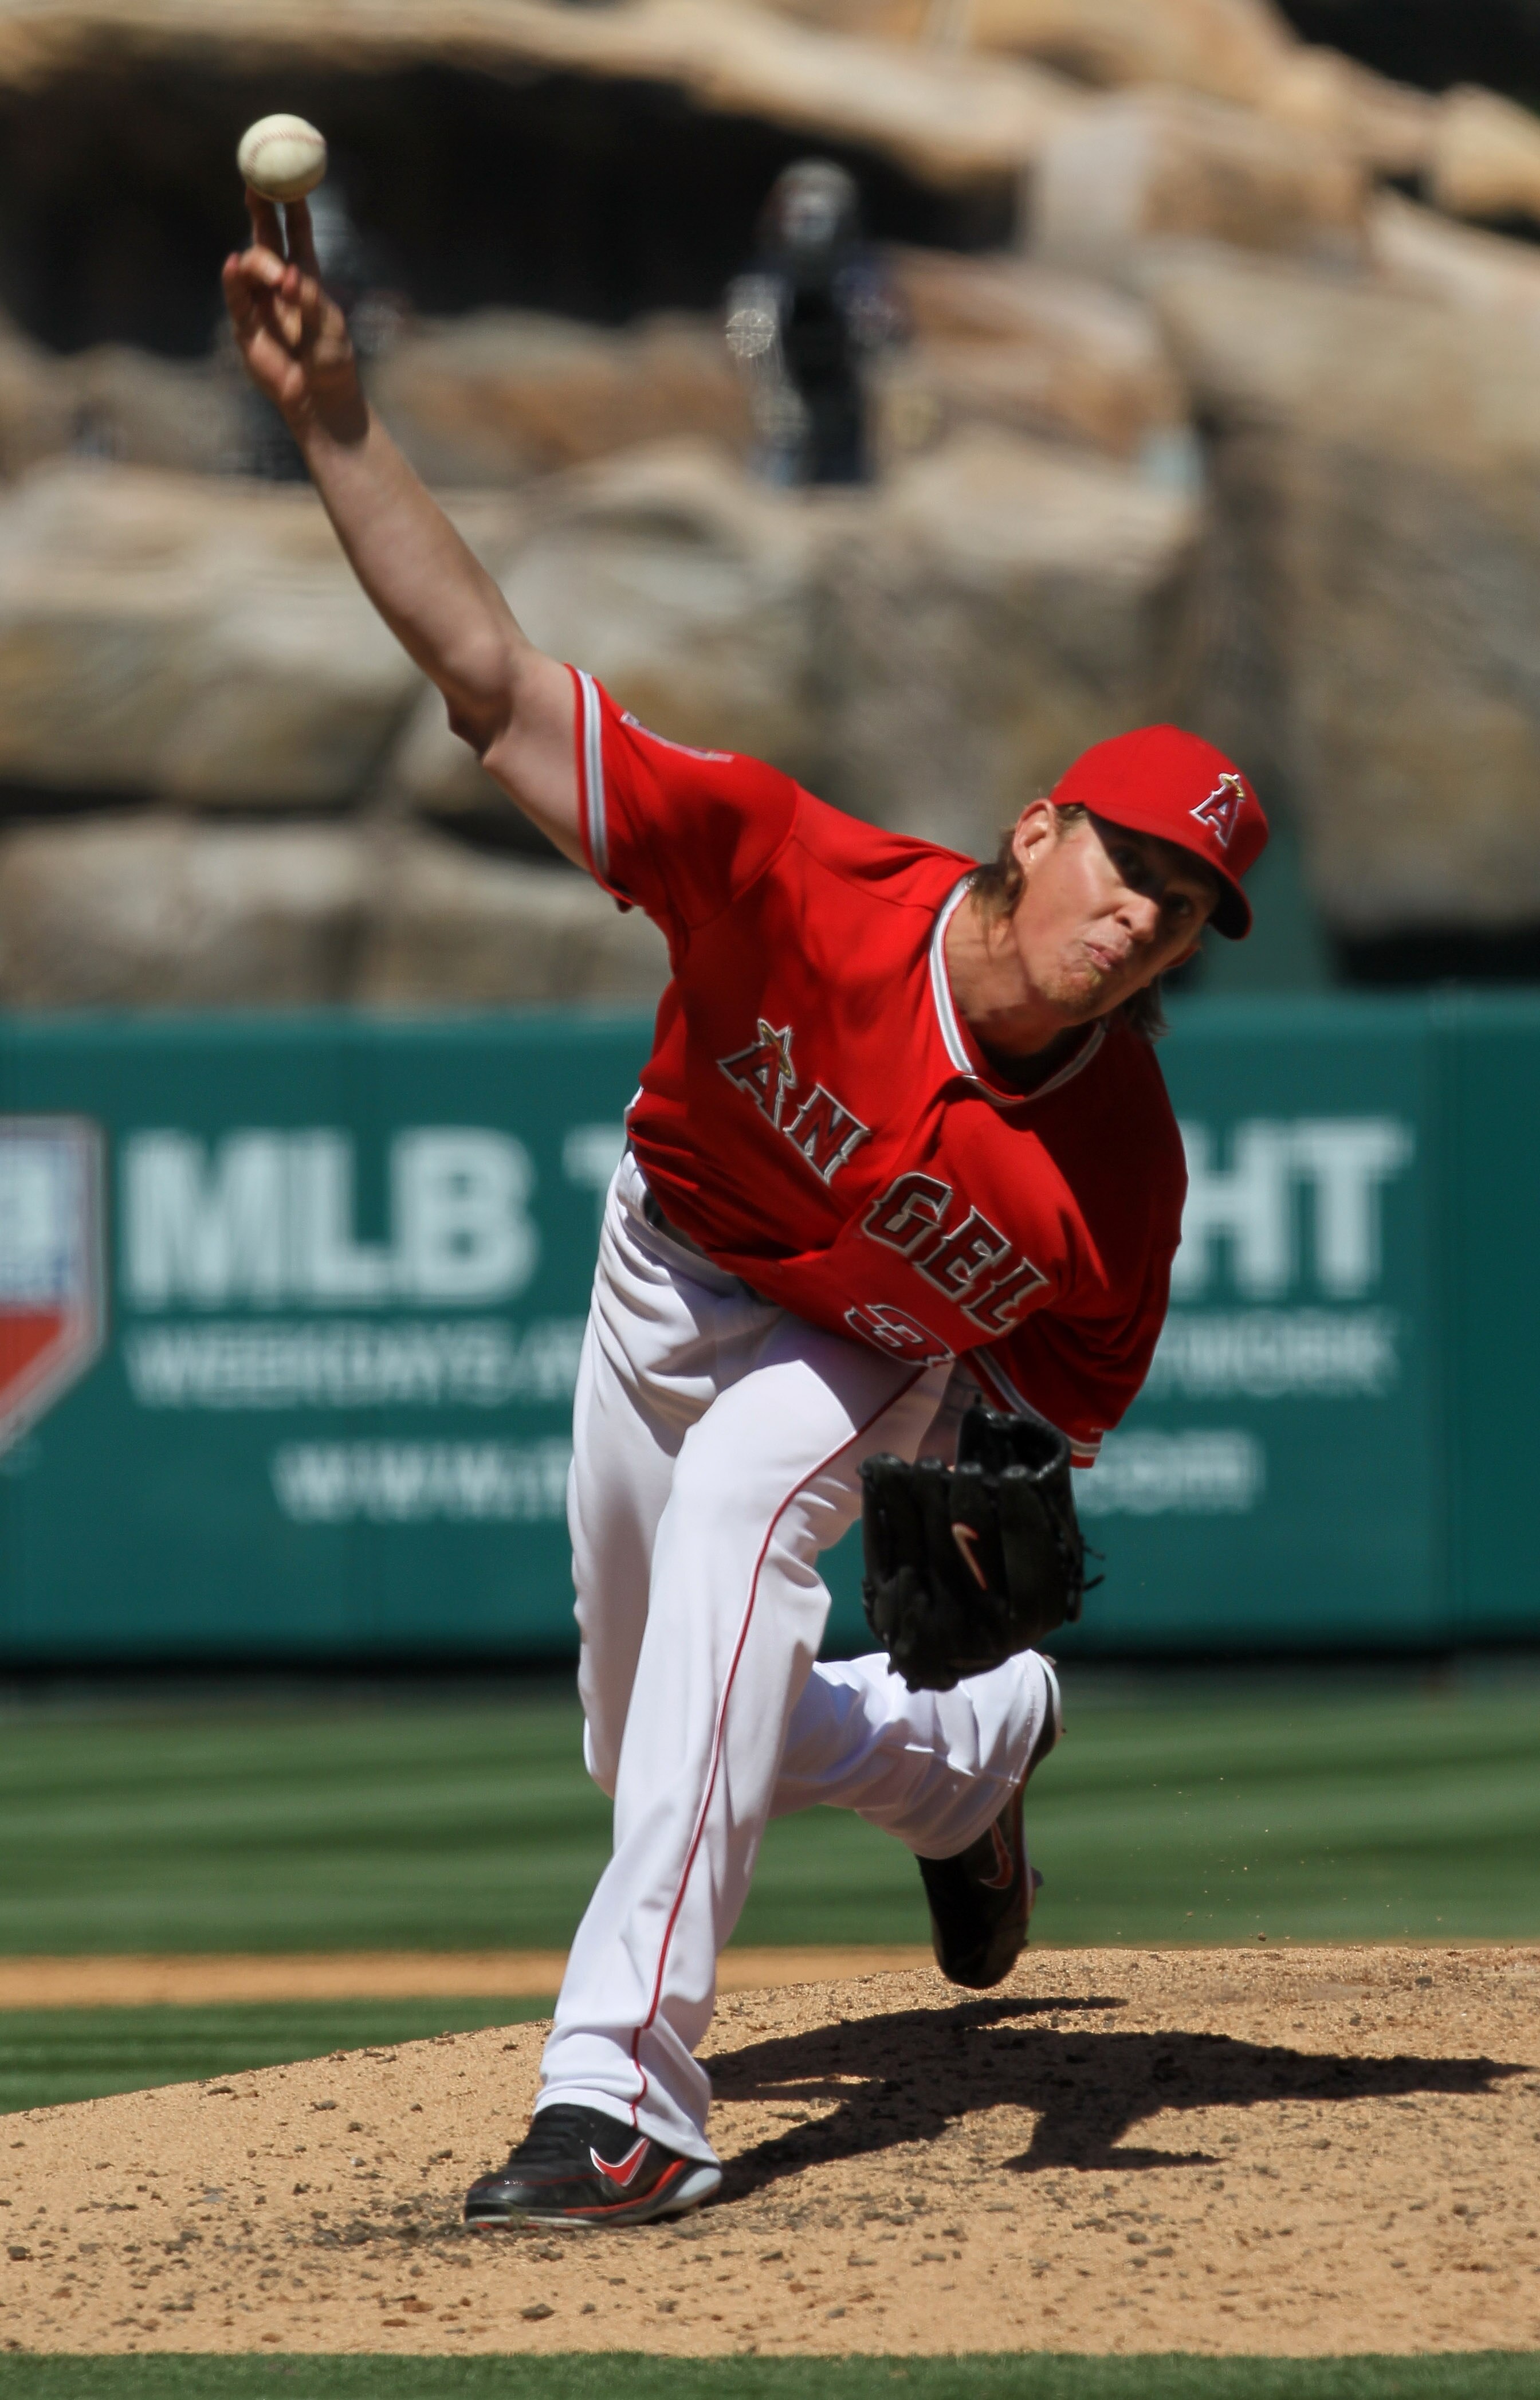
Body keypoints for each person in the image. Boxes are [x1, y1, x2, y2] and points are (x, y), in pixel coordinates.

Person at [223, 193, 1268, 2232]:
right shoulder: (785, 873)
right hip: (666, 1266)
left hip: (859, 1349)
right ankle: (960, 1759)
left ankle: (624, 2096)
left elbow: (1056, 1400)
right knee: (654, 1731)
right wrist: (342, 426)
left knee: (739, 1527)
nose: (1142, 914)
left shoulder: (1115, 1164)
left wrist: (991, 1474)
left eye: (1190, 906)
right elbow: (492, 680)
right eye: (1126, 860)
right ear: (1037, 827)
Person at [724, 158, 899, 485]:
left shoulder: (859, 278)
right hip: (783, 400)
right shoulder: (763, 282)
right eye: (800, 213)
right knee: (780, 457)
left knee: (848, 473)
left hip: (845, 402)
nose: (808, 223)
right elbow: (745, 343)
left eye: (820, 213)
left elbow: (884, 339)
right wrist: (769, 390)